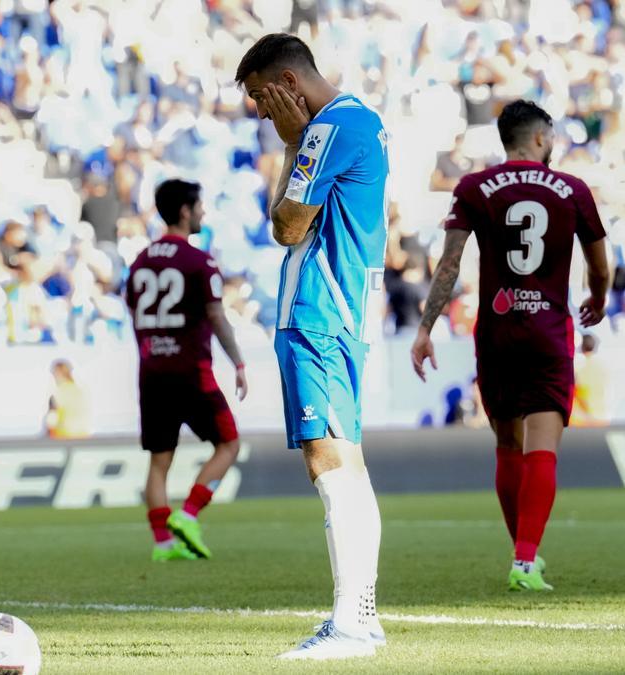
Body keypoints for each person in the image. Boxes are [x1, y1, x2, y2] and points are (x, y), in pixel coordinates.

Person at [411, 99, 609, 592]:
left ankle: (523, 555)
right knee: (543, 447)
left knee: (506, 445)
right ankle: (525, 560)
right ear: (540, 138)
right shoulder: (573, 189)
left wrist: (424, 329)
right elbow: (601, 266)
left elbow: (450, 265)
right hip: (548, 332)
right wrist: (599, 299)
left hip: (497, 330)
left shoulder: (474, 187)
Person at [237, 34, 388, 659]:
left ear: (288, 85)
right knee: (347, 462)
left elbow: (286, 226)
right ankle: (364, 617)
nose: (261, 115)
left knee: (329, 464)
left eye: (261, 99)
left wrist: (296, 142)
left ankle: (350, 626)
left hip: (319, 311)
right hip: (349, 311)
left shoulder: (325, 129)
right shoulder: (365, 119)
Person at [124, 179, 248, 564]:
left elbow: (133, 313)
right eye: (199, 206)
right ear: (184, 211)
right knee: (228, 443)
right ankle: (189, 515)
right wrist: (239, 362)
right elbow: (215, 315)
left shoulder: (140, 260)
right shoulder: (200, 261)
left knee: (160, 461)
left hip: (152, 372)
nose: (203, 213)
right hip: (192, 371)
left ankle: (163, 545)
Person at [45, 359, 91, 439]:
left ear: (58, 373)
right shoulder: (80, 391)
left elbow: (51, 421)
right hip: (83, 436)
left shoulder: (58, 393)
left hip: (64, 438)